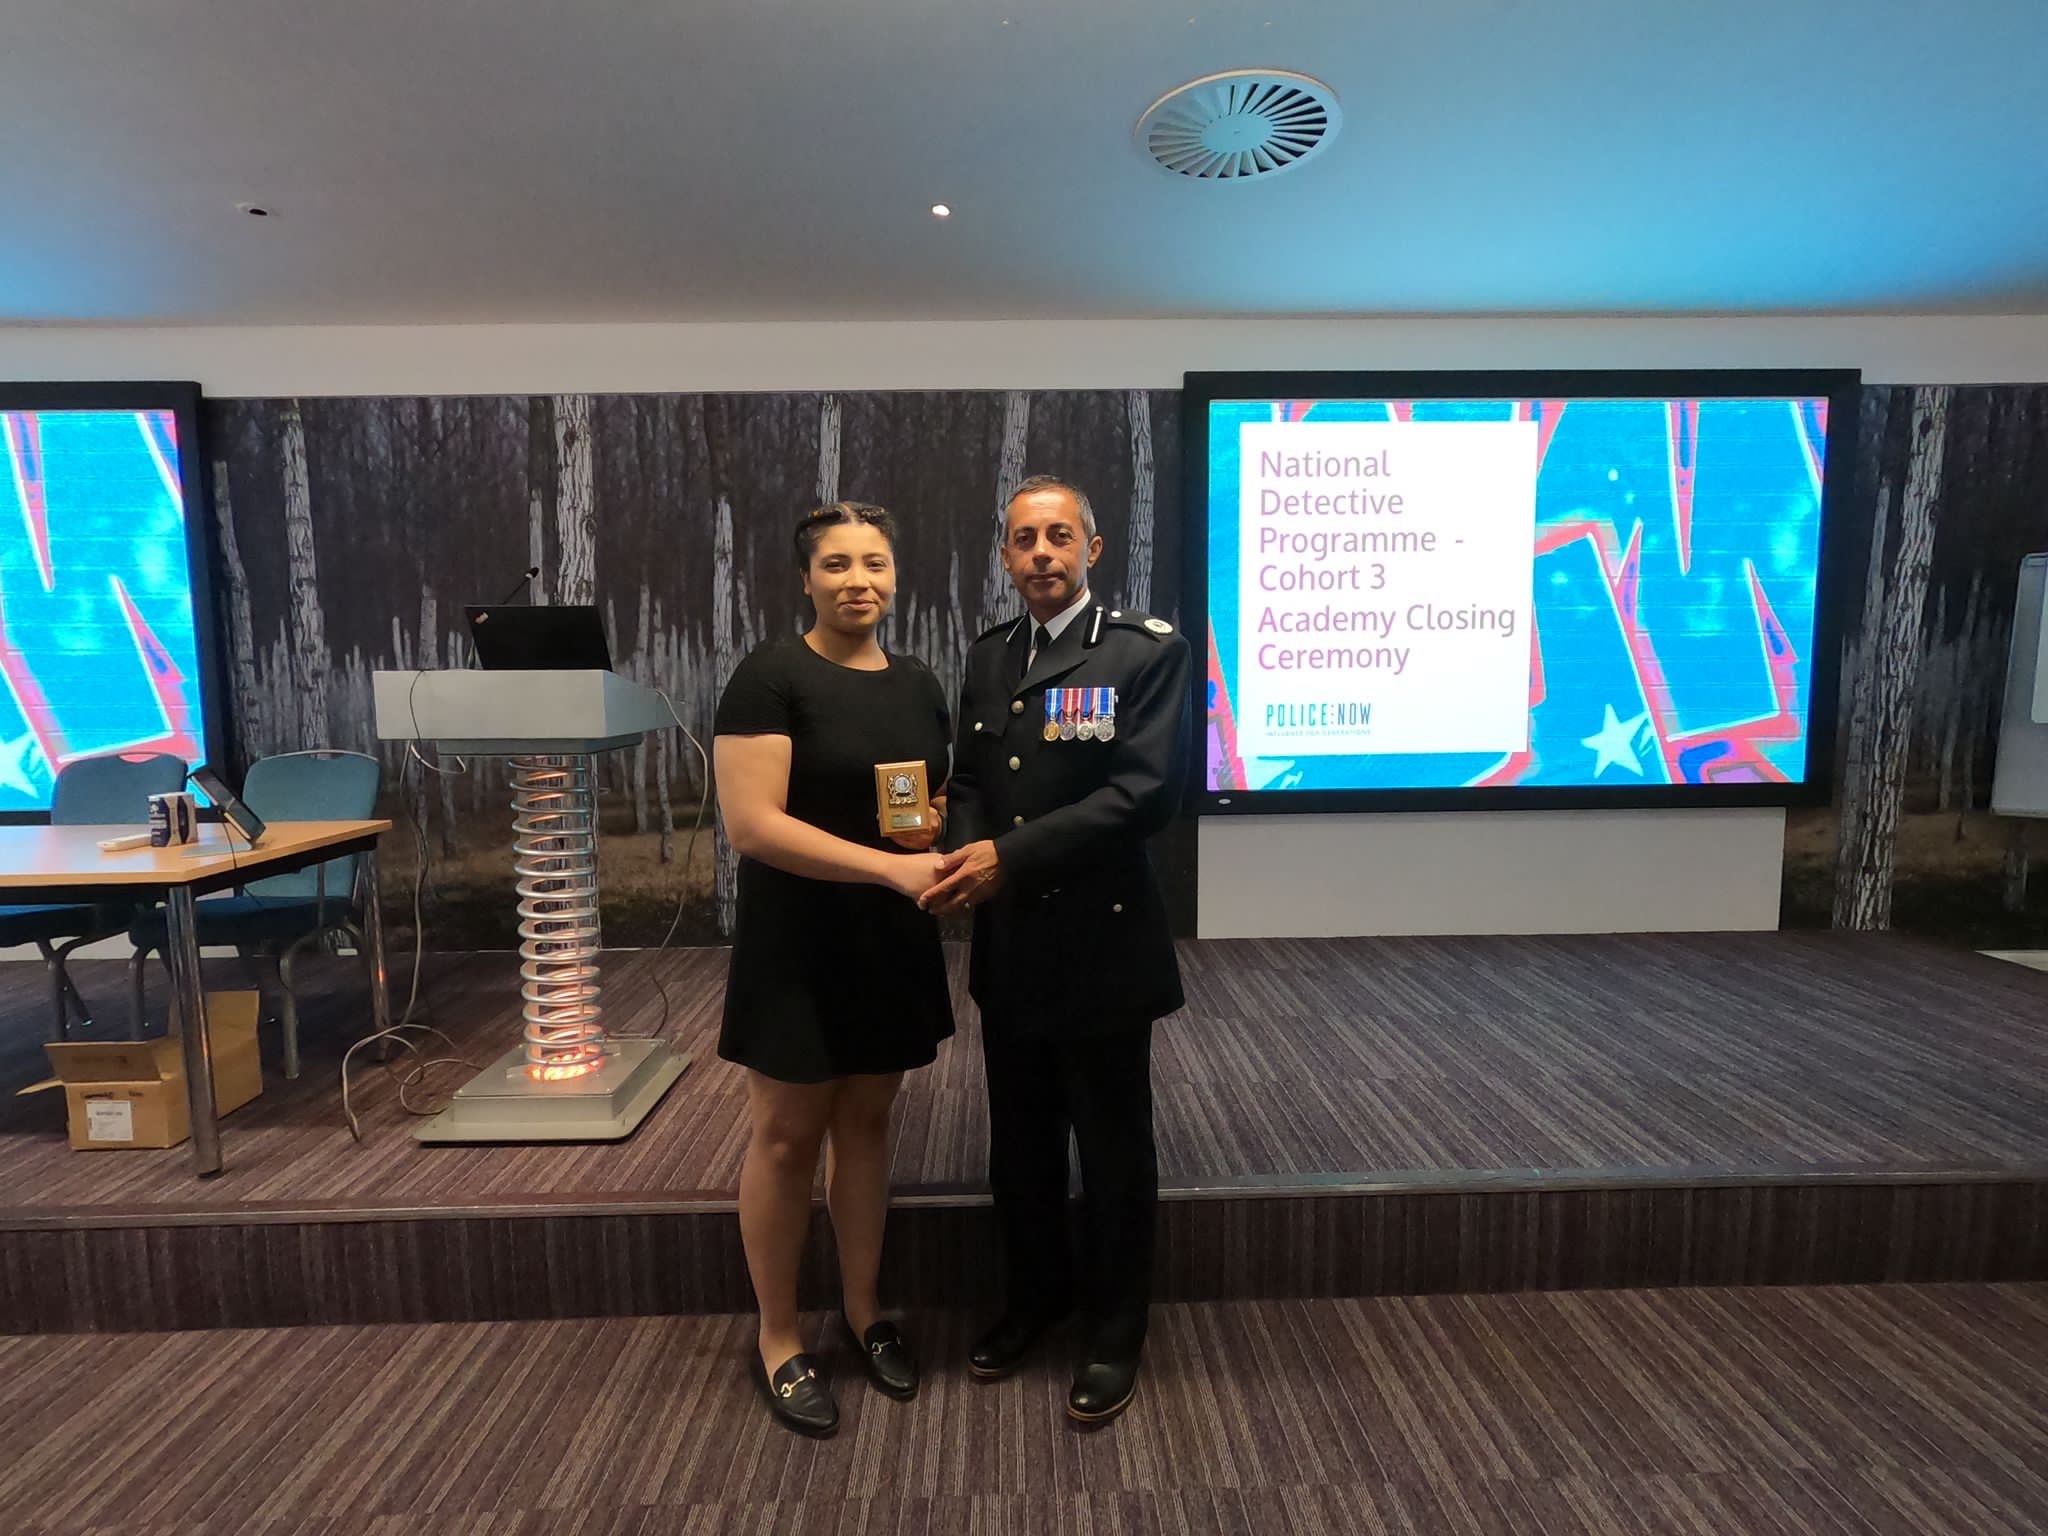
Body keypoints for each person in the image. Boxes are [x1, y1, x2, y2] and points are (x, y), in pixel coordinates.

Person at [922, 473, 1192, 1424]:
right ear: (1005, 556)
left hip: (1101, 946)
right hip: (1013, 947)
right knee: (1021, 1148)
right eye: (1024, 540)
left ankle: (1116, 1331)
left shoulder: (1143, 652)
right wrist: (958, 847)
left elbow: (1142, 796)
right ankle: (1034, 1301)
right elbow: (968, 778)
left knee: (1114, 1151)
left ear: (1092, 549)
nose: (1041, 554)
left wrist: (1005, 855)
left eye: (1058, 538)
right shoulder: (991, 656)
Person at [713, 500, 954, 1438]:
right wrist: (891, 866)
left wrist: (928, 839)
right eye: (839, 564)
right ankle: (778, 1336)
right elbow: (754, 825)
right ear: (806, 578)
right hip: (799, 942)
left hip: (888, 939)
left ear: (896, 575)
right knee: (784, 1136)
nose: (861, 580)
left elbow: (918, 800)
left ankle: (864, 1311)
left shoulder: (921, 680)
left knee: (868, 1120)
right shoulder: (771, 675)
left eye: (877, 563)